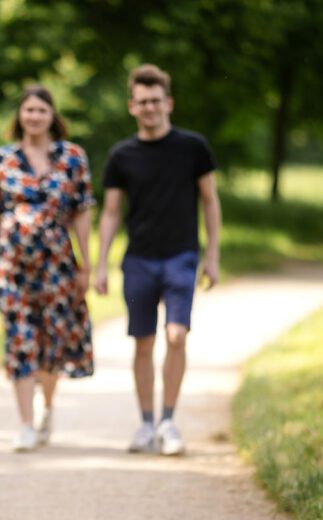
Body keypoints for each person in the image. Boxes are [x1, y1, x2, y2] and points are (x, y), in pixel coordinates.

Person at [94, 63, 222, 455]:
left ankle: (169, 422)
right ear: (133, 106)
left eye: (156, 100)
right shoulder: (122, 155)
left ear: (168, 102)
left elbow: (210, 201)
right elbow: (112, 212)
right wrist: (100, 263)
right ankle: (146, 425)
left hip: (182, 256)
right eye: (142, 101)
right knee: (145, 342)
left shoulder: (193, 147)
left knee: (176, 335)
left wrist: (212, 254)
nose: (149, 107)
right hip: (139, 261)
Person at [0, 84, 95, 452]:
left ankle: (47, 407)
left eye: (41, 110)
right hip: (12, 266)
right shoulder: (2, 159)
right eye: (28, 110)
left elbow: (81, 213)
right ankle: (26, 424)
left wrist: (85, 265)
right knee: (20, 340)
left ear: (52, 116)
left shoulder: (73, 157)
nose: (34, 116)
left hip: (58, 264)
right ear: (19, 116)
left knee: (51, 340)